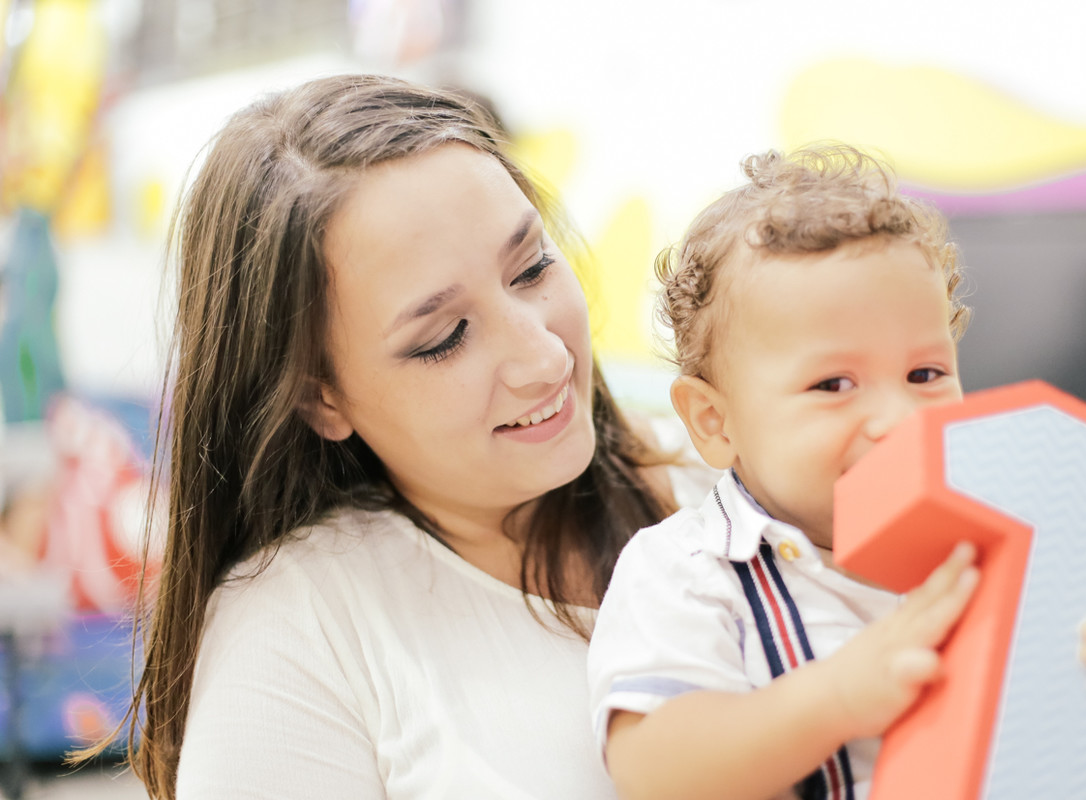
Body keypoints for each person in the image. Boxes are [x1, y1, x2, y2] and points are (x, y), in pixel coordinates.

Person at [87, 74, 717, 799]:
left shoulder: (731, 481)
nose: (545, 358)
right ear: (319, 396)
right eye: (444, 337)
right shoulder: (300, 635)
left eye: (532, 267)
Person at [587, 145, 1086, 800]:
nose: (900, 418)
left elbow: (1065, 765)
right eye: (833, 384)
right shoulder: (687, 570)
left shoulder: (1003, 555)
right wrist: (839, 696)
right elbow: (653, 769)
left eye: (925, 374)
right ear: (715, 421)